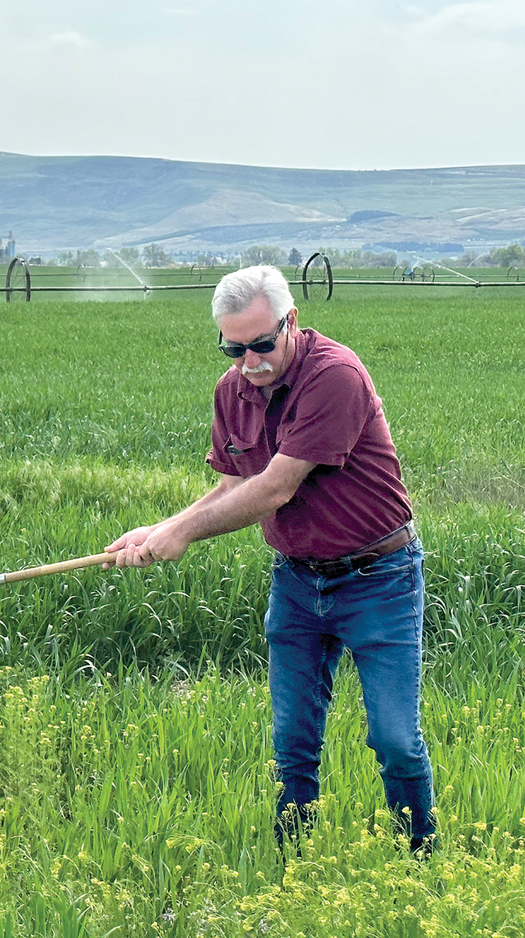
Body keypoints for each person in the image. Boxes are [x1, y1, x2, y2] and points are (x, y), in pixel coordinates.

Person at [107, 265, 434, 853]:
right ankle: (292, 858)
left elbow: (276, 486)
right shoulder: (232, 391)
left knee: (395, 739)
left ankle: (420, 858)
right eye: (234, 349)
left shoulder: (335, 375)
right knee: (293, 742)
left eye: (262, 344)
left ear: (293, 322)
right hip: (298, 582)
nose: (250, 362)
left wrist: (182, 537)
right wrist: (158, 529)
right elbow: (235, 485)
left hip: (378, 578)